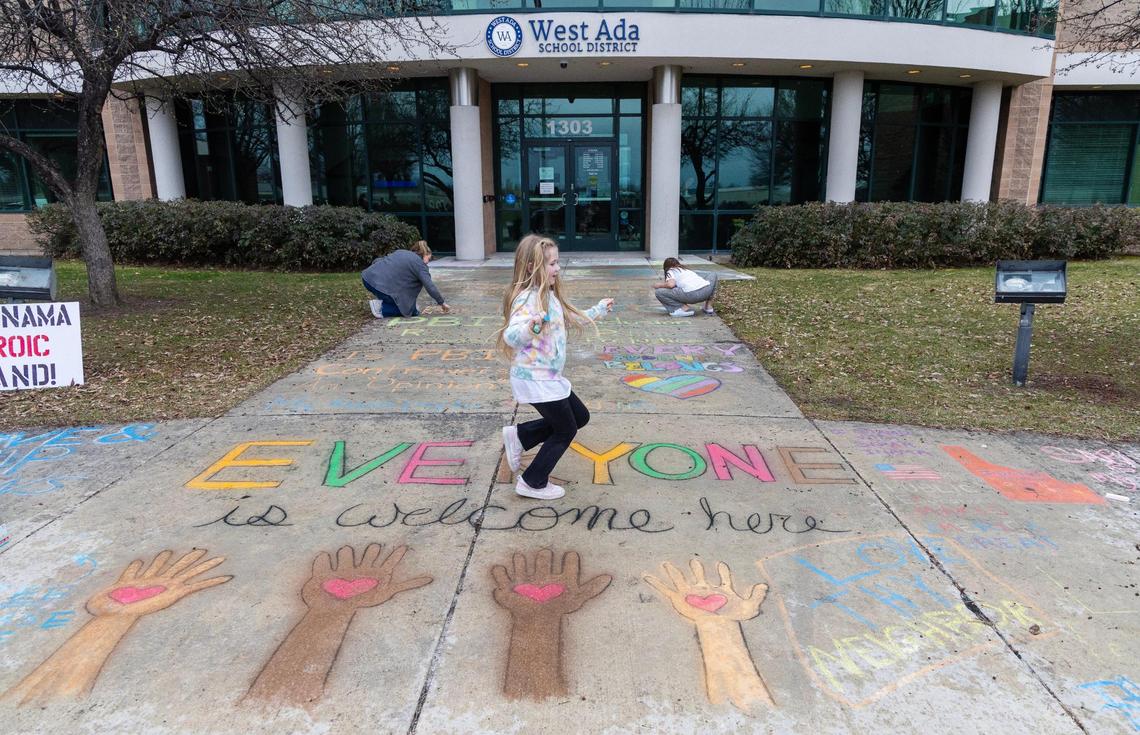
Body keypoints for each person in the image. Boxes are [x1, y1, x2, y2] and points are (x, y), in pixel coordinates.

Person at [498, 234, 615, 500]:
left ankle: (520, 436)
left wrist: (599, 309)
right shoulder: (527, 300)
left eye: (557, 263)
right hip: (536, 379)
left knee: (580, 417)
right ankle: (533, 481)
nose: (557, 269)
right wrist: (531, 327)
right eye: (552, 264)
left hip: (549, 378)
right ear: (532, 267)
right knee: (565, 429)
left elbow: (572, 317)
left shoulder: (548, 296)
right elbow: (511, 336)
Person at [361, 240, 450, 318]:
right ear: (425, 254)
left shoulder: (401, 252)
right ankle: (380, 308)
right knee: (412, 311)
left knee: (408, 305)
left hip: (367, 278)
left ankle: (385, 299)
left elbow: (378, 261)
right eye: (429, 259)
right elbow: (429, 286)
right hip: (379, 285)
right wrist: (441, 302)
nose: (428, 262)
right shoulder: (420, 264)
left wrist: (374, 273)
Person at [652, 257, 718, 317]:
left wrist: (659, 285)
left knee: (659, 292)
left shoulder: (671, 270)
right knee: (713, 274)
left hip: (691, 295)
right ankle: (708, 306)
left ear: (666, 268)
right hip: (705, 292)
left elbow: (671, 285)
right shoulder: (686, 270)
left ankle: (682, 308)